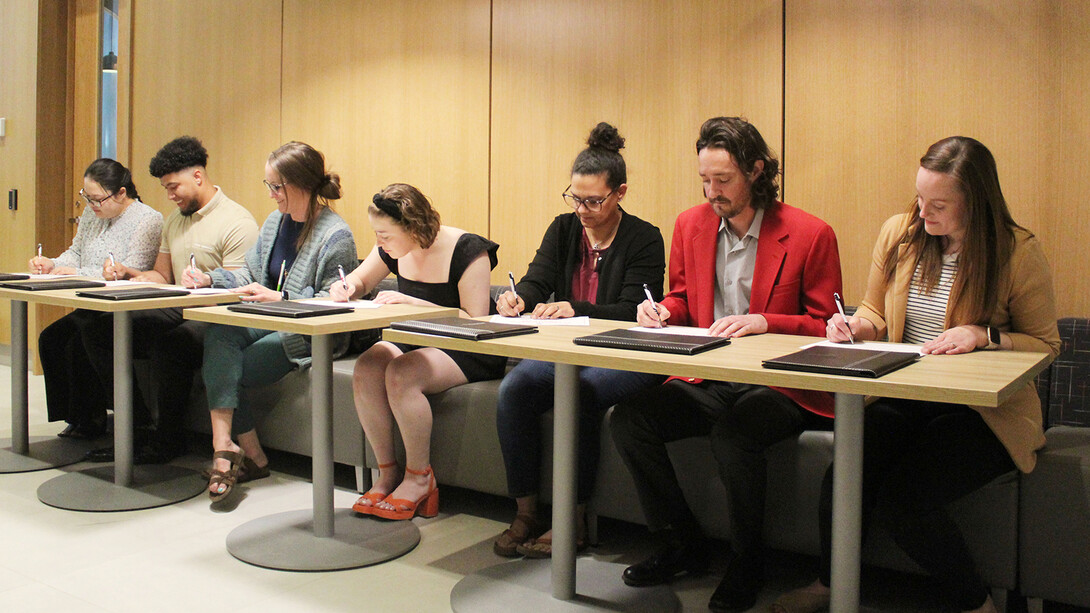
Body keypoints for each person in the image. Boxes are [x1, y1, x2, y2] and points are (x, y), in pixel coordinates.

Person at [771, 137, 1061, 613]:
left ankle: (977, 604)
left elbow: (1046, 345)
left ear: (976, 202)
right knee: (846, 472)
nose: (923, 214)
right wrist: (856, 326)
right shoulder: (901, 233)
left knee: (905, 501)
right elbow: (873, 310)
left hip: (983, 412)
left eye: (939, 205)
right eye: (920, 200)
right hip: (905, 392)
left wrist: (983, 335)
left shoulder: (1016, 252)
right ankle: (829, 584)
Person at [608, 116, 843, 613]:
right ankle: (682, 543)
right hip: (710, 376)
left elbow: (827, 324)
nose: (712, 192)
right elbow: (681, 299)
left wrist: (765, 321)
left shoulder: (810, 233)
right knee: (631, 419)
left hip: (782, 385)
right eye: (704, 181)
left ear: (757, 171)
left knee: (735, 434)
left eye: (724, 180)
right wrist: (661, 312)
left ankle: (747, 561)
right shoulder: (690, 224)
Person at [491, 122, 666, 558]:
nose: (583, 209)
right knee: (514, 389)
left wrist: (577, 308)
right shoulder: (563, 228)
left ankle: (574, 519)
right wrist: (517, 298)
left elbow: (632, 310)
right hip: (568, 349)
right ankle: (526, 512)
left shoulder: (644, 237)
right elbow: (538, 280)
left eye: (594, 200)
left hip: (623, 353)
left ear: (620, 193)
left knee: (580, 392)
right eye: (575, 198)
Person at [190, 141, 358, 502]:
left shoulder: (335, 235)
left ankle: (247, 455)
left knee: (233, 368)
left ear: (300, 184)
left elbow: (338, 302)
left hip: (307, 333)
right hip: (269, 318)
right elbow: (248, 275)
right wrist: (209, 279)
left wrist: (281, 299)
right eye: (268, 186)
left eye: (276, 187)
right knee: (218, 333)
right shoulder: (273, 223)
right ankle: (228, 446)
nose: (271, 195)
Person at [329, 183, 504, 521]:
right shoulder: (393, 249)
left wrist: (414, 303)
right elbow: (361, 280)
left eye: (386, 236)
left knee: (401, 372)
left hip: (466, 344)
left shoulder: (468, 250)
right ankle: (387, 472)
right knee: (367, 366)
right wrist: (347, 286)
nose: (380, 243)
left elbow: (475, 320)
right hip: (420, 336)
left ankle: (419, 478)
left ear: (412, 226)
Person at [80, 136, 259, 464]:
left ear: (198, 177)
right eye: (165, 188)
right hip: (178, 306)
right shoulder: (175, 219)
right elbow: (162, 276)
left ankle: (168, 440)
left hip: (218, 315)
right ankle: (136, 428)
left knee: (171, 344)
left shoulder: (237, 222)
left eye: (174, 186)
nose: (170, 195)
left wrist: (205, 283)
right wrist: (128, 273)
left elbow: (241, 289)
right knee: (99, 331)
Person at [34, 158, 163, 439]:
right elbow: (75, 252)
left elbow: (131, 269)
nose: (91, 206)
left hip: (123, 305)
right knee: (52, 339)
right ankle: (78, 417)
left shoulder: (147, 219)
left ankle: (113, 419)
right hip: (91, 301)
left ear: (121, 193)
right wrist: (52, 264)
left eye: (97, 199)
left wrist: (75, 271)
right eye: (87, 198)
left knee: (84, 339)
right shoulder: (93, 216)